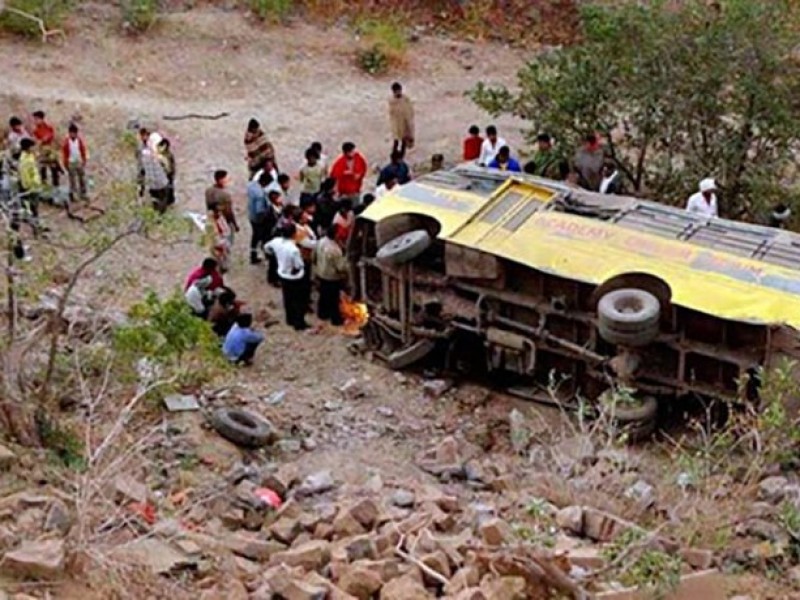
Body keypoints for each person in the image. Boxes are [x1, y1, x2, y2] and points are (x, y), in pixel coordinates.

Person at [264, 223, 309, 331]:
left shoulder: (276, 242)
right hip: (295, 277)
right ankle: (299, 323)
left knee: (288, 298)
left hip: (283, 274)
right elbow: (299, 265)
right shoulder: (293, 249)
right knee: (299, 300)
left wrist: (273, 255)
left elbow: (266, 247)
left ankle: (290, 319)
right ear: (294, 234)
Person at [314, 224, 349, 326]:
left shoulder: (321, 241)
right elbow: (341, 267)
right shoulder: (335, 250)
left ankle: (322, 314)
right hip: (332, 277)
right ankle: (336, 320)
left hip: (321, 272)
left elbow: (314, 256)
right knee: (334, 299)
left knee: (324, 295)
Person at [205, 170, 239, 242]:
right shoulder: (225, 195)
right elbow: (228, 213)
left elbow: (209, 206)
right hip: (223, 223)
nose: (228, 180)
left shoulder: (208, 191)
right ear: (221, 180)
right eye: (226, 178)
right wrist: (235, 225)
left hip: (212, 221)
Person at [247, 171, 272, 264]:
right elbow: (260, 210)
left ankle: (253, 254)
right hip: (258, 219)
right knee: (261, 236)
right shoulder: (260, 195)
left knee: (255, 237)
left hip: (251, 214)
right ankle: (263, 254)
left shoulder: (251, 185)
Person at [31, 111, 60, 188]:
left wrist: (45, 139)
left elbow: (52, 136)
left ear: (42, 119)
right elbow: (35, 141)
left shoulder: (49, 127)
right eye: (35, 119)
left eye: (37, 119)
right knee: (42, 169)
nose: (35, 121)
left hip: (50, 150)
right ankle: (44, 186)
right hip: (41, 151)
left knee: (54, 168)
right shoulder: (35, 130)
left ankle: (56, 186)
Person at [61, 123, 89, 202]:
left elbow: (83, 150)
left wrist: (84, 160)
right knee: (72, 179)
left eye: (74, 133)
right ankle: (73, 194)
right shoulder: (66, 142)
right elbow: (65, 154)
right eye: (71, 133)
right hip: (71, 162)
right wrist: (65, 164)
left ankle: (83, 193)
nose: (73, 135)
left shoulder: (79, 141)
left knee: (81, 178)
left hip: (78, 161)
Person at [18, 138, 42, 222]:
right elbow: (25, 175)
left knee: (35, 205)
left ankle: (35, 222)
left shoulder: (30, 156)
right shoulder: (24, 160)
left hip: (35, 185)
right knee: (32, 206)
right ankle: (34, 223)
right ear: (28, 148)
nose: (34, 148)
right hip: (31, 187)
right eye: (32, 147)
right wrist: (29, 186)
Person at [141, 143, 170, 213]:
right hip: (162, 183)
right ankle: (162, 213)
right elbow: (167, 168)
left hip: (152, 185)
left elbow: (142, 174)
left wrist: (142, 188)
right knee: (163, 198)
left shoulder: (143, 162)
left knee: (155, 200)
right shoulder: (157, 158)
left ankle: (156, 213)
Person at [388, 82, 415, 155]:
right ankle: (394, 155)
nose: (398, 92)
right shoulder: (392, 101)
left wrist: (409, 124)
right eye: (396, 91)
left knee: (404, 141)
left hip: (406, 123)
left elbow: (410, 111)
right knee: (396, 141)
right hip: (397, 125)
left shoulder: (406, 99)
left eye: (399, 90)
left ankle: (402, 156)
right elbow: (393, 114)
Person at [265, 188, 283, 287]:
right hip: (273, 237)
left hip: (279, 236)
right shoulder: (269, 212)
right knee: (274, 260)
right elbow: (268, 228)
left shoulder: (280, 208)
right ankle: (272, 278)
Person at [209, 204, 232, 272]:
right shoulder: (213, 222)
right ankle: (222, 266)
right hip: (218, 239)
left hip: (221, 239)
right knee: (219, 254)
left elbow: (225, 230)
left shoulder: (219, 219)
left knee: (222, 254)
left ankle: (223, 266)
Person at [157, 138, 176, 206]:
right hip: (166, 174)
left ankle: (169, 201)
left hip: (168, 174)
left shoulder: (168, 155)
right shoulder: (163, 155)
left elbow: (172, 166)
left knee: (169, 189)